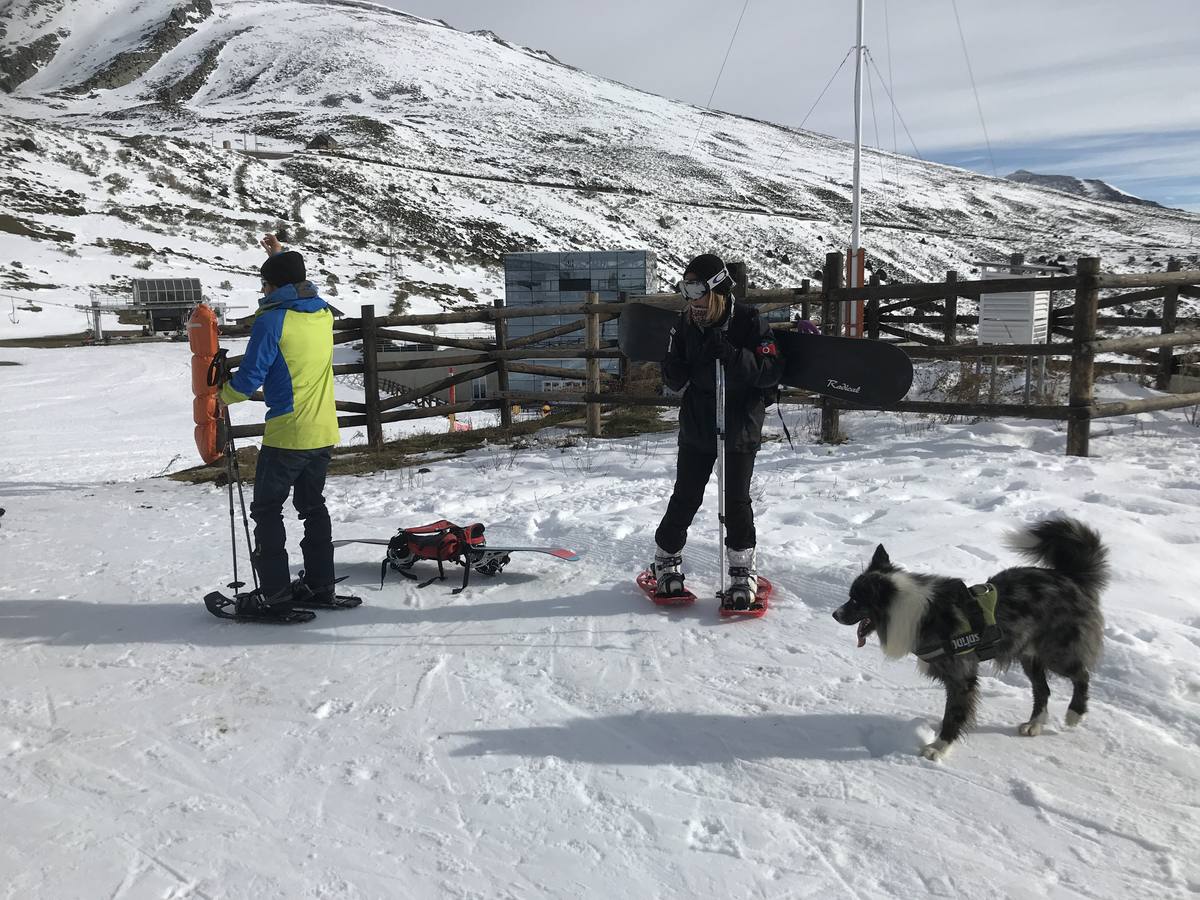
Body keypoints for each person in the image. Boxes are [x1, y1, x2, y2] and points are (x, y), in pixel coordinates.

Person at [650, 253, 783, 610]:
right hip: (698, 422)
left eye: (697, 291)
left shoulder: (749, 321)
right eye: (686, 291)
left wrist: (732, 354)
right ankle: (666, 559)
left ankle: (742, 570)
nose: (692, 301)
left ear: (716, 290)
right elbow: (672, 372)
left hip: (739, 422)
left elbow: (770, 371)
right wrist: (676, 367)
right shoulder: (685, 324)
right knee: (687, 496)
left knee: (736, 500)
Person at [219, 235, 341, 614]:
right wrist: (278, 257)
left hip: (289, 433)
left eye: (264, 284)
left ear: (271, 287)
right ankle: (322, 586)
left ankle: (273, 593)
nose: (262, 290)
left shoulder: (273, 320)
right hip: (324, 431)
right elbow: (296, 282)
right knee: (312, 507)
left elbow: (249, 378)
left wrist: (218, 397)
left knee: (268, 509)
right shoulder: (322, 313)